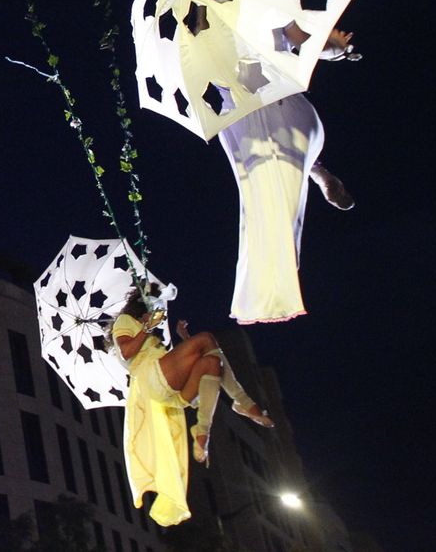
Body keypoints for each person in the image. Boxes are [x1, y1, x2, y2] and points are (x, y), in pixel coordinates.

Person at [219, 27, 356, 323]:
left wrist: (334, 46)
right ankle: (316, 171)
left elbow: (309, 42)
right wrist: (336, 47)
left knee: (264, 204)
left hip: (259, 108)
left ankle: (315, 171)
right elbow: (311, 43)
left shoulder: (256, 6)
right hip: (269, 109)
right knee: (267, 202)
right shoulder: (253, 5)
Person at [112, 286, 274, 527]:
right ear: (141, 304)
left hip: (170, 393)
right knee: (207, 337)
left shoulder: (153, 336)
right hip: (151, 380)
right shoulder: (125, 321)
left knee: (212, 363)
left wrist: (184, 337)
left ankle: (202, 430)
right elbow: (126, 352)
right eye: (154, 301)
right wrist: (146, 326)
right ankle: (242, 402)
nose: (159, 306)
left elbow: (193, 360)